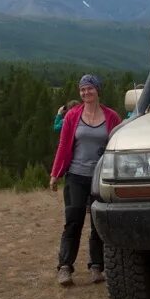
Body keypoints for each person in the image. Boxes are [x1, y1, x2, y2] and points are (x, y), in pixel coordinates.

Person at [49, 74, 122, 286]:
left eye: (89, 88)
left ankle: (97, 267)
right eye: (82, 90)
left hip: (100, 178)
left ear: (98, 90)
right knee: (73, 221)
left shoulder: (111, 117)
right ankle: (65, 267)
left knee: (99, 224)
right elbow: (63, 146)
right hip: (76, 176)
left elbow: (116, 145)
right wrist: (55, 174)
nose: (85, 93)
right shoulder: (72, 116)